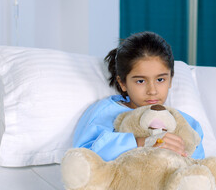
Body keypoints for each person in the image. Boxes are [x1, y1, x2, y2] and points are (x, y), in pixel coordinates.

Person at [73, 31, 205, 161]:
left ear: (170, 79)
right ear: (122, 83)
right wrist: (142, 142)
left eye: (160, 80)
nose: (152, 91)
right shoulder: (106, 112)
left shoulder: (186, 123)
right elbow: (83, 155)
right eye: (140, 81)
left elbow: (198, 168)